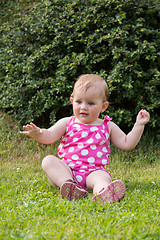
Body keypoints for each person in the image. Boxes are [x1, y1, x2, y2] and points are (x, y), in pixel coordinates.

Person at [20, 74, 150, 204]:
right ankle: (68, 186)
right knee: (48, 161)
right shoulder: (67, 122)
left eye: (91, 103)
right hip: (67, 170)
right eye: (79, 102)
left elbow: (127, 143)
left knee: (102, 177)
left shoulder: (107, 126)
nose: (83, 107)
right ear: (72, 101)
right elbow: (49, 136)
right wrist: (38, 133)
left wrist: (139, 125)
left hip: (93, 172)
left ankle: (103, 192)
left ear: (103, 106)